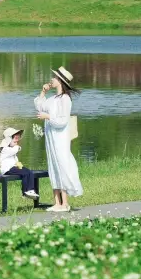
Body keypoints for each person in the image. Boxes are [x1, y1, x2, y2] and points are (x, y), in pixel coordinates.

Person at [34, 65, 83, 213]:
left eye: (55, 77)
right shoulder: (53, 98)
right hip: (51, 138)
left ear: (60, 81)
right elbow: (40, 107)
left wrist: (48, 117)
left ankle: (65, 202)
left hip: (60, 138)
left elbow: (62, 121)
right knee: (53, 166)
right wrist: (43, 92)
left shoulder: (66, 99)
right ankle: (57, 202)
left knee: (62, 165)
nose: (52, 79)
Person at [0, 127, 39, 199]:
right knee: (25, 173)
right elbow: (14, 151)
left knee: (29, 172)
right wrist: (18, 146)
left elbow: (15, 161)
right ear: (8, 141)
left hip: (13, 168)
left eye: (17, 141)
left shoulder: (12, 150)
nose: (16, 143)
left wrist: (20, 166)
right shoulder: (5, 149)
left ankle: (30, 191)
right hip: (7, 169)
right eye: (14, 141)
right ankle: (26, 191)